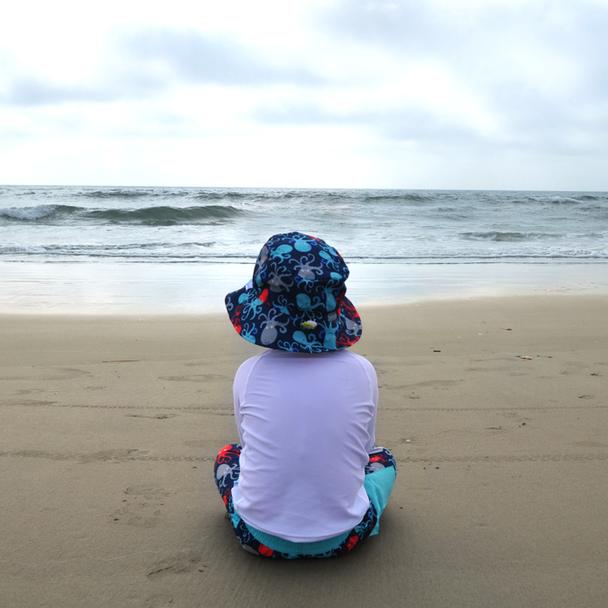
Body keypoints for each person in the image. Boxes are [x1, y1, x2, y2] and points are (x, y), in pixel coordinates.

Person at [214, 232, 397, 559]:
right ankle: (358, 519)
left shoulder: (249, 373)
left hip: (258, 539)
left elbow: (247, 443)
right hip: (346, 538)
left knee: (228, 455)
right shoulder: (362, 371)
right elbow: (365, 449)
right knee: (383, 458)